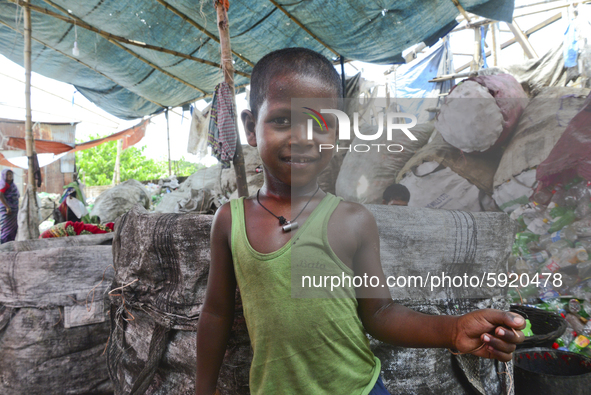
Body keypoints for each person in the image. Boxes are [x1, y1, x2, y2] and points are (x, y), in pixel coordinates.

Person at [195, 48, 525, 395]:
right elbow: (216, 315)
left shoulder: (352, 220)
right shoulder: (231, 221)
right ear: (250, 127)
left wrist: (453, 330)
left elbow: (380, 312)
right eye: (281, 120)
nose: (303, 137)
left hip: (360, 388)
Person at [0, 169, 20, 243]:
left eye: (11, 174)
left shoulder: (12, 185)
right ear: (4, 176)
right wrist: (7, 207)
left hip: (14, 211)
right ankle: (3, 246)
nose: (10, 176)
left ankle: (10, 244)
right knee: (6, 229)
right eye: (8, 174)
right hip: (7, 211)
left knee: (13, 229)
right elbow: (1, 195)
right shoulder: (3, 184)